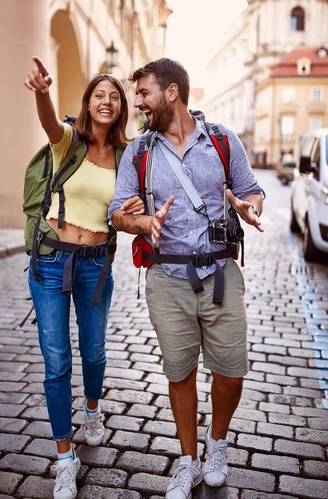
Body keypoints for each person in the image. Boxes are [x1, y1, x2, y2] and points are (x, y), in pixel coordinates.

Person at [109, 58, 265, 499]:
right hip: (167, 277)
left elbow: (252, 189)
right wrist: (139, 223)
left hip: (220, 273)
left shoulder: (221, 140)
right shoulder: (140, 151)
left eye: (143, 93)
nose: (136, 102)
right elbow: (116, 210)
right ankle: (187, 460)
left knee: (231, 372)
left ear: (171, 93)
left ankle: (218, 443)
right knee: (179, 373)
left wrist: (249, 207)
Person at [24, 57, 144, 499]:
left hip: (96, 266)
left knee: (93, 352)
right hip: (51, 262)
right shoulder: (69, 141)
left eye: (115, 97)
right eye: (100, 95)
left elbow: (130, 208)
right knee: (56, 361)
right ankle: (64, 459)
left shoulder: (127, 155)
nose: (107, 102)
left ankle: (93, 410)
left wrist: (137, 217)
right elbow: (49, 121)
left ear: (122, 107)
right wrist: (41, 91)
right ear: (88, 102)